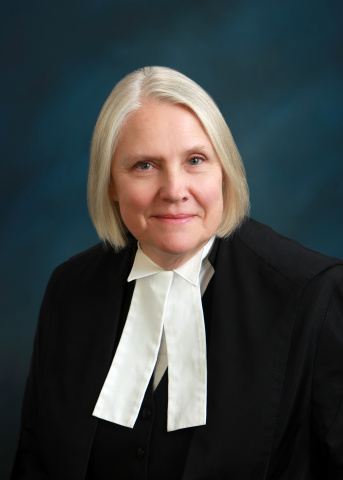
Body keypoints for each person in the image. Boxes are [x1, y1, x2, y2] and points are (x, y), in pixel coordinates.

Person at [11, 66, 343, 480]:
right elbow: (35, 463)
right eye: (145, 165)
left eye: (196, 160)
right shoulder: (69, 290)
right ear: (110, 183)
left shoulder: (315, 296)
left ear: (224, 169)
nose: (174, 190)